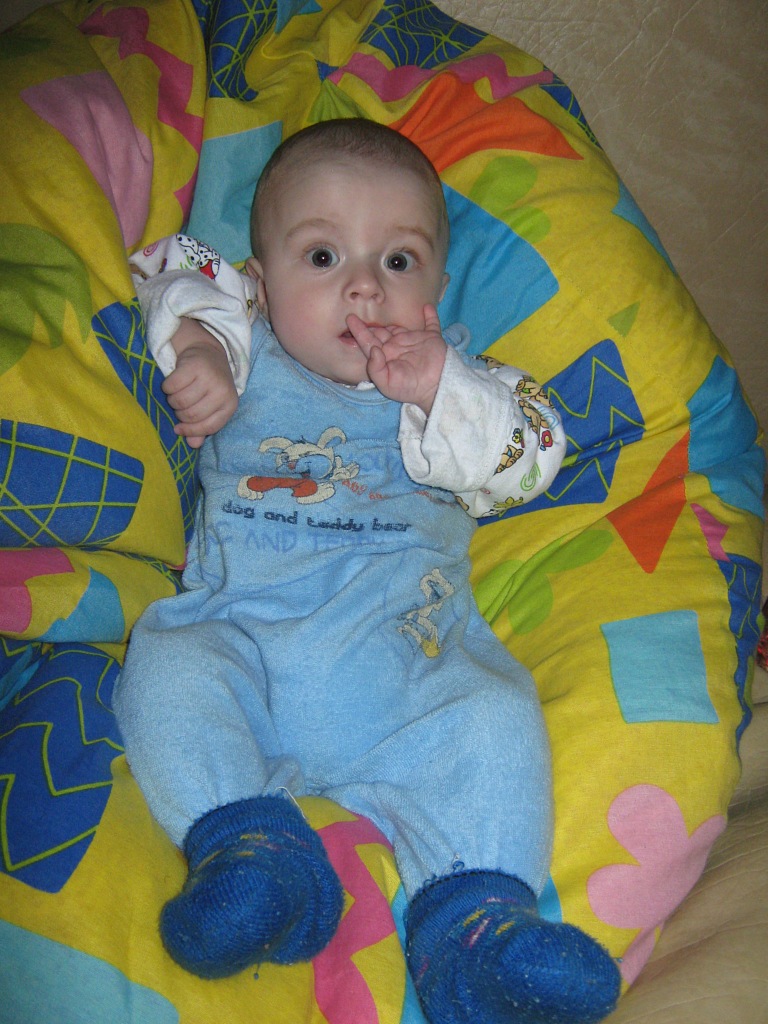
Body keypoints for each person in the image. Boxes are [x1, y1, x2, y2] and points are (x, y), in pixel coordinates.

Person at [114, 118, 620, 1024]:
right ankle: (251, 854)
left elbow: (531, 457)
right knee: (166, 667)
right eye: (322, 257)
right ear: (261, 284)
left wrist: (441, 389)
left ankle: (474, 929)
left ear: (439, 286)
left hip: (409, 676)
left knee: (496, 717)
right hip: (245, 646)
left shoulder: (464, 388)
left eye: (398, 261)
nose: (363, 286)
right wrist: (198, 349)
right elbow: (170, 268)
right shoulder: (242, 343)